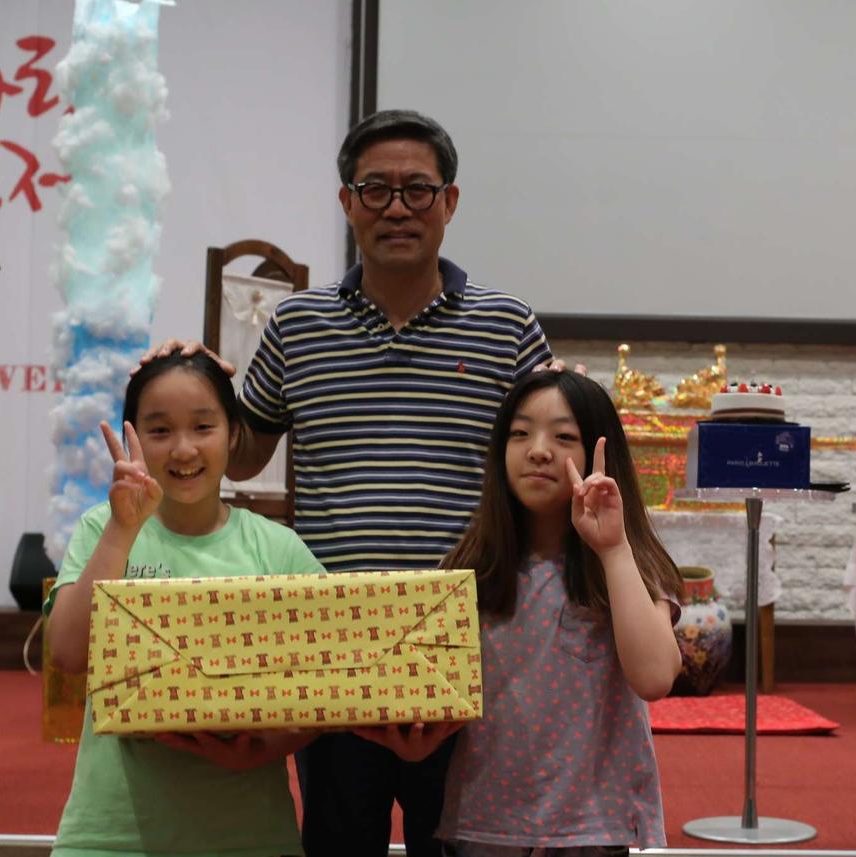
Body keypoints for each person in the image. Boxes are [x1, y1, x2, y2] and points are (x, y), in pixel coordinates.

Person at [143, 108, 554, 857]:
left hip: (466, 639)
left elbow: (543, 463)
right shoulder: (297, 326)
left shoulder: (508, 326)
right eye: (375, 189)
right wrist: (192, 379)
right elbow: (240, 456)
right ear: (346, 202)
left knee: (460, 842)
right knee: (337, 842)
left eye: (417, 189)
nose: (397, 207)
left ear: (450, 201)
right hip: (331, 639)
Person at [359, 369, 684, 855]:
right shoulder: (470, 568)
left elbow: (655, 677)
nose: (538, 450)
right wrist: (420, 739)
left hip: (593, 828)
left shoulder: (627, 565)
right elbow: (439, 696)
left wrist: (613, 548)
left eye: (564, 437)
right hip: (485, 826)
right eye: (520, 433)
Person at [46, 351, 323, 857]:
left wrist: (265, 746)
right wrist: (122, 528)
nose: (183, 449)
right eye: (159, 431)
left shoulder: (277, 548)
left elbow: (328, 682)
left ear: (233, 434)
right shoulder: (103, 528)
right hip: (113, 837)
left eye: (202, 426)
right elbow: (66, 652)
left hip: (250, 838)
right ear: (132, 437)